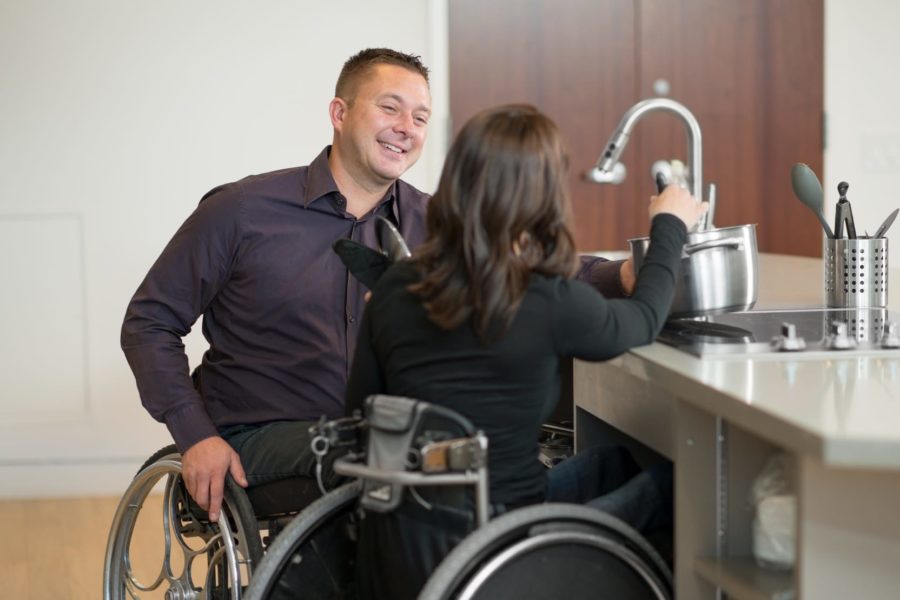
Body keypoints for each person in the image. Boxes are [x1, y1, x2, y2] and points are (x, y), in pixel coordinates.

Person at [120, 48, 632, 522]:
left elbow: (537, 268)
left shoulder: (435, 222)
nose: (405, 128)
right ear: (340, 114)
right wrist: (196, 436)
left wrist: (627, 274)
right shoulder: (241, 212)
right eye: (390, 108)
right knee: (413, 461)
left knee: (519, 465)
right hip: (258, 438)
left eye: (420, 117)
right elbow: (149, 323)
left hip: (383, 441)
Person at [344, 104, 707, 599]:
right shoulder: (542, 297)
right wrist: (670, 225)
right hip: (504, 542)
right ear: (544, 198)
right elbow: (643, 320)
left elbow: (359, 411)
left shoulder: (398, 285)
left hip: (410, 534)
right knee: (670, 485)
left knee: (613, 464)